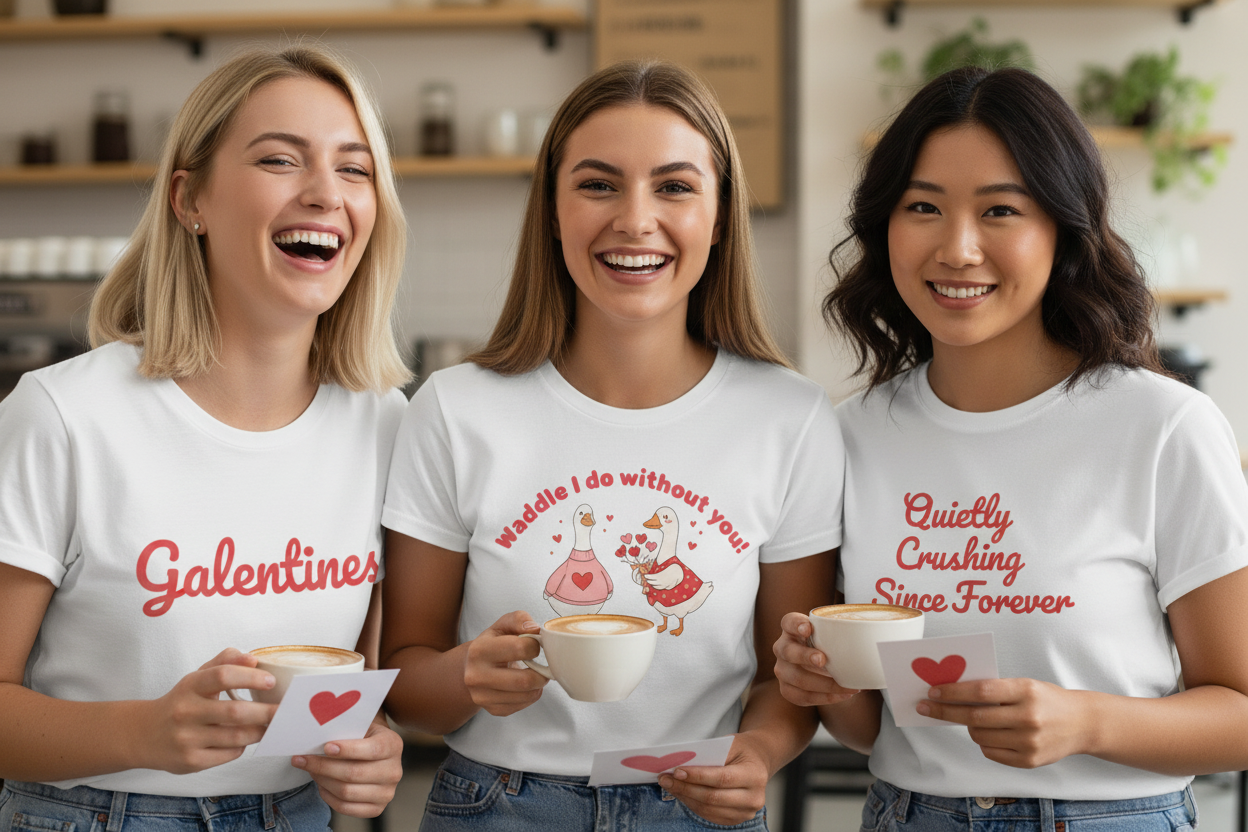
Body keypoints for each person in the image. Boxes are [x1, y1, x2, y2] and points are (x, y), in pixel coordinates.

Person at [773, 66, 1248, 831]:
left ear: (1062, 230)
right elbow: (877, 729)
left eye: (1000, 210)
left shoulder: (1164, 428)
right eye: (923, 206)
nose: (958, 248)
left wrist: (1087, 722)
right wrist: (828, 689)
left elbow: (1241, 714)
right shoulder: (849, 435)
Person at [380, 60, 844, 830]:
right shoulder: (455, 410)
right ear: (553, 211)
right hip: (497, 806)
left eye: (674, 186)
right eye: (598, 185)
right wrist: (465, 676)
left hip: (698, 812)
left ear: (721, 214)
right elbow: (402, 675)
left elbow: (782, 681)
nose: (635, 219)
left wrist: (755, 755)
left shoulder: (789, 418)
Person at [0, 44, 411, 829]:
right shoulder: (61, 418)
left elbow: (366, 689)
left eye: (355, 169)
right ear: (191, 199)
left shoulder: (388, 425)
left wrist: (374, 749)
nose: (326, 193)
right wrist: (140, 730)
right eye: (281, 160)